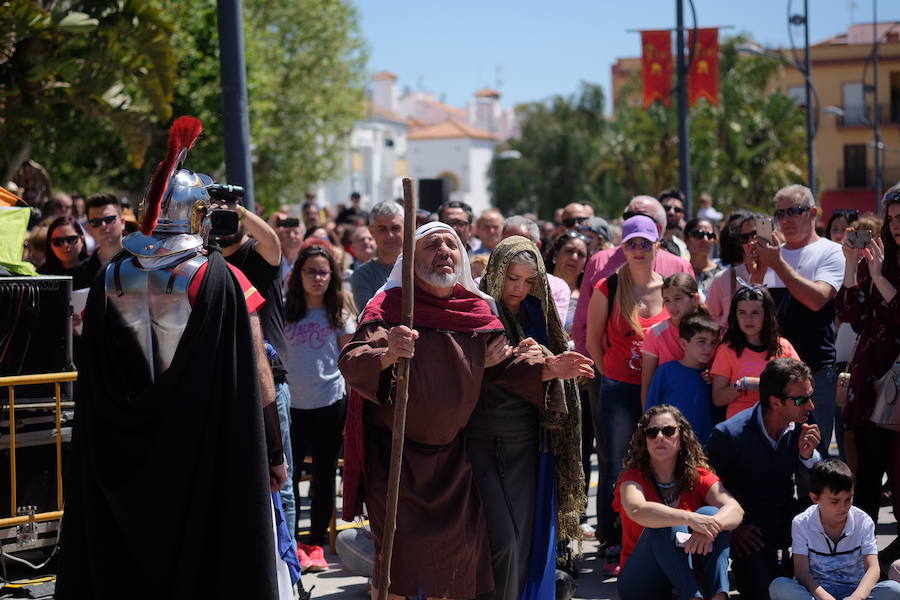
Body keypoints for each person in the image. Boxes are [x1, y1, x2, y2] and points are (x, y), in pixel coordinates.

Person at [56, 117, 293, 600]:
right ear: (199, 214)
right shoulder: (213, 274)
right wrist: (271, 449)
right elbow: (254, 369)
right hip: (198, 442)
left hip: (126, 445)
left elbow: (99, 367)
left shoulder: (111, 275)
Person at [338, 222, 592, 600]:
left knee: (455, 566)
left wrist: (549, 368)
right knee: (397, 567)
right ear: (409, 260)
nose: (444, 250)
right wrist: (389, 352)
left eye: (450, 244)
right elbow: (353, 360)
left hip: (452, 460)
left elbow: (499, 368)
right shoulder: (391, 306)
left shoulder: (473, 309)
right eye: (431, 245)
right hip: (398, 459)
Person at [470, 235, 590, 600]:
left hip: (530, 443)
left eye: (528, 280)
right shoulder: (476, 310)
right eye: (512, 278)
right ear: (496, 272)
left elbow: (555, 353)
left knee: (526, 542)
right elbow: (492, 368)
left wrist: (562, 369)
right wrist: (547, 365)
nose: (519, 288)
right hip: (483, 440)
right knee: (502, 541)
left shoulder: (538, 312)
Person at [586, 214, 670, 573]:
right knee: (617, 465)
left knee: (658, 464)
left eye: (644, 243)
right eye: (632, 243)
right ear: (622, 248)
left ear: (657, 246)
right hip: (619, 390)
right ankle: (613, 539)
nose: (638, 250)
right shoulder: (608, 287)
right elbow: (592, 341)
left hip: (658, 392)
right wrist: (611, 379)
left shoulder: (668, 287)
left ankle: (651, 538)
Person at [217, 196, 296, 562]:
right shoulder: (208, 264)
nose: (221, 221)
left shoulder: (255, 258)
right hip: (225, 383)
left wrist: (239, 210)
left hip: (271, 381)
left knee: (282, 480)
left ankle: (288, 563)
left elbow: (273, 243)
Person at [707, 358, 822, 600]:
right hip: (750, 531)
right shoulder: (729, 435)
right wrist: (733, 530)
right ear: (775, 402)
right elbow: (705, 489)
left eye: (811, 395)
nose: (810, 405)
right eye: (801, 400)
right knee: (765, 592)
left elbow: (822, 487)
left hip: (788, 520)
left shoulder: (802, 424)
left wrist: (808, 457)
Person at [750, 185, 845, 457]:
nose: (786, 219)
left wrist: (778, 264)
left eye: (794, 211)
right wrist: (761, 267)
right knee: (772, 452)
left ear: (813, 213)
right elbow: (753, 303)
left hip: (814, 370)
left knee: (816, 453)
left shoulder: (830, 251)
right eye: (780, 213)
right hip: (772, 372)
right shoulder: (772, 255)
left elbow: (817, 299)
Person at [614, 404, 743, 600]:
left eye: (668, 431)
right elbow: (638, 510)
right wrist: (691, 520)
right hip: (643, 582)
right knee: (663, 524)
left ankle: (719, 595)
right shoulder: (632, 478)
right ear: (644, 440)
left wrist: (710, 526)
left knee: (711, 514)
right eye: (652, 432)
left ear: (681, 437)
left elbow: (735, 510)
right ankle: (693, 597)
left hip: (690, 571)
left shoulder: (697, 476)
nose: (659, 437)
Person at [834, 186, 900, 565]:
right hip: (870, 379)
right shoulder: (875, 259)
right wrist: (850, 264)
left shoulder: (881, 267)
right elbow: (852, 316)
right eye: (890, 219)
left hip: (898, 379)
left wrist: (879, 277)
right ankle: (863, 557)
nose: (895, 226)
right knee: (868, 475)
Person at [283, 242, 356, 573]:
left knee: (325, 477)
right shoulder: (283, 310)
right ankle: (294, 542)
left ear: (332, 276)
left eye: (323, 272)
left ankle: (315, 545)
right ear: (298, 275)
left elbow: (350, 361)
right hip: (292, 407)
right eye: (310, 271)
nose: (316, 278)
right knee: (291, 476)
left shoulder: (340, 312)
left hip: (330, 404)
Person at [573, 194, 692, 358]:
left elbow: (692, 322)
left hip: (668, 370)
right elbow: (582, 321)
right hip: (611, 373)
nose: (636, 223)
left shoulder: (680, 266)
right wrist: (590, 366)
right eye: (629, 217)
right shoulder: (599, 261)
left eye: (643, 219)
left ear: (658, 228)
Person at [769, 459, 900, 600]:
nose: (843, 507)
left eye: (848, 499)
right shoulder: (801, 523)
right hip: (817, 594)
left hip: (855, 591)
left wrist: (857, 597)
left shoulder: (863, 521)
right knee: (778, 586)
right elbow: (802, 573)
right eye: (835, 501)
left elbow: (873, 569)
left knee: (894, 589)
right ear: (815, 498)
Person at [710, 285, 800, 419]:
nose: (748, 319)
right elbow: (718, 399)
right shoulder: (726, 350)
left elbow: (800, 386)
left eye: (755, 313)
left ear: (767, 315)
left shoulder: (783, 346)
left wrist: (765, 385)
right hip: (742, 426)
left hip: (780, 423)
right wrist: (743, 384)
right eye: (742, 312)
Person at [646, 312, 719, 443]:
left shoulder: (713, 376)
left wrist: (714, 382)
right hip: (669, 445)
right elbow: (651, 409)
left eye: (713, 343)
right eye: (701, 341)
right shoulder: (666, 372)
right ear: (684, 344)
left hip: (704, 447)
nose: (708, 348)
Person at [641, 273, 704, 407]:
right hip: (670, 410)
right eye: (667, 300)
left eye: (677, 298)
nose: (671, 305)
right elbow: (647, 384)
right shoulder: (655, 333)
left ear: (695, 299)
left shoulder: (710, 329)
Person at [501, 215, 571, 324]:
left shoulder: (557, 288)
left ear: (537, 246)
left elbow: (552, 331)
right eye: (507, 245)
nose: (513, 252)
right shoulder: (479, 286)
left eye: (529, 281)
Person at [350, 200, 403, 310]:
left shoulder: (420, 267)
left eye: (395, 228)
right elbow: (370, 315)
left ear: (406, 228)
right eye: (382, 229)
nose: (390, 235)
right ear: (371, 231)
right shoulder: (363, 275)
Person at [705, 209, 754, 327]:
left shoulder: (780, 274)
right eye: (744, 238)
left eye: (756, 234)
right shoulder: (722, 279)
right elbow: (707, 322)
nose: (752, 242)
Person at [73, 193, 125, 289]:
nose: (103, 226)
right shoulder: (82, 271)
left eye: (109, 219)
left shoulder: (140, 261)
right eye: (95, 222)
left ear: (122, 223)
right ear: (89, 228)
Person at [543, 230, 590, 335]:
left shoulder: (589, 298)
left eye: (581, 254)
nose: (574, 257)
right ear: (555, 256)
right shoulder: (536, 286)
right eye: (569, 251)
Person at [684, 217, 724, 299]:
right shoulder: (680, 271)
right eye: (699, 234)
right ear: (686, 239)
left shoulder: (722, 276)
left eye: (710, 235)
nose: (705, 239)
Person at [659, 188, 690, 259]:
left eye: (677, 210)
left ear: (682, 215)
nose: (671, 212)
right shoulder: (649, 242)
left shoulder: (683, 248)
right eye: (667, 208)